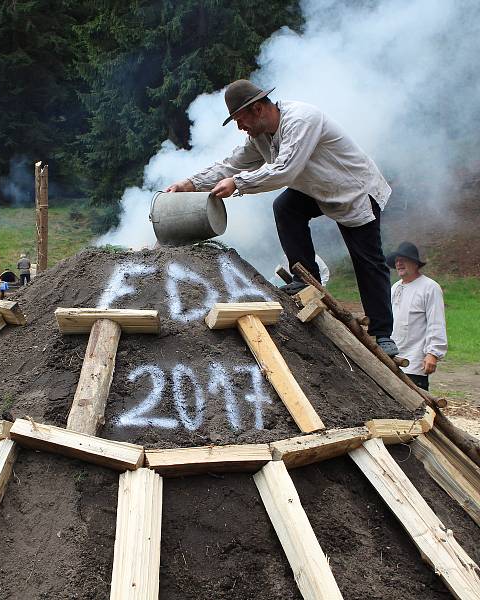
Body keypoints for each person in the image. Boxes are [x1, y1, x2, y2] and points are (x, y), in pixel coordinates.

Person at [166, 79, 398, 356]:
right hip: (319, 189)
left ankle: (383, 335)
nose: (241, 128)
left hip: (354, 190)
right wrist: (189, 184)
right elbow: (230, 164)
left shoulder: (301, 120)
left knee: (367, 260)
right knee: (286, 207)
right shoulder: (258, 138)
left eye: (241, 119)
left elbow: (284, 170)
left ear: (259, 109)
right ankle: (307, 278)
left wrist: (238, 183)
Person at [388, 242, 447, 391]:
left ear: (415, 263)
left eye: (403, 259)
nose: (399, 263)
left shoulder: (430, 287)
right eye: (397, 260)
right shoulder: (395, 288)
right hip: (393, 357)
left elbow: (436, 322)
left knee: (417, 408)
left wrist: (433, 354)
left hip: (415, 361)